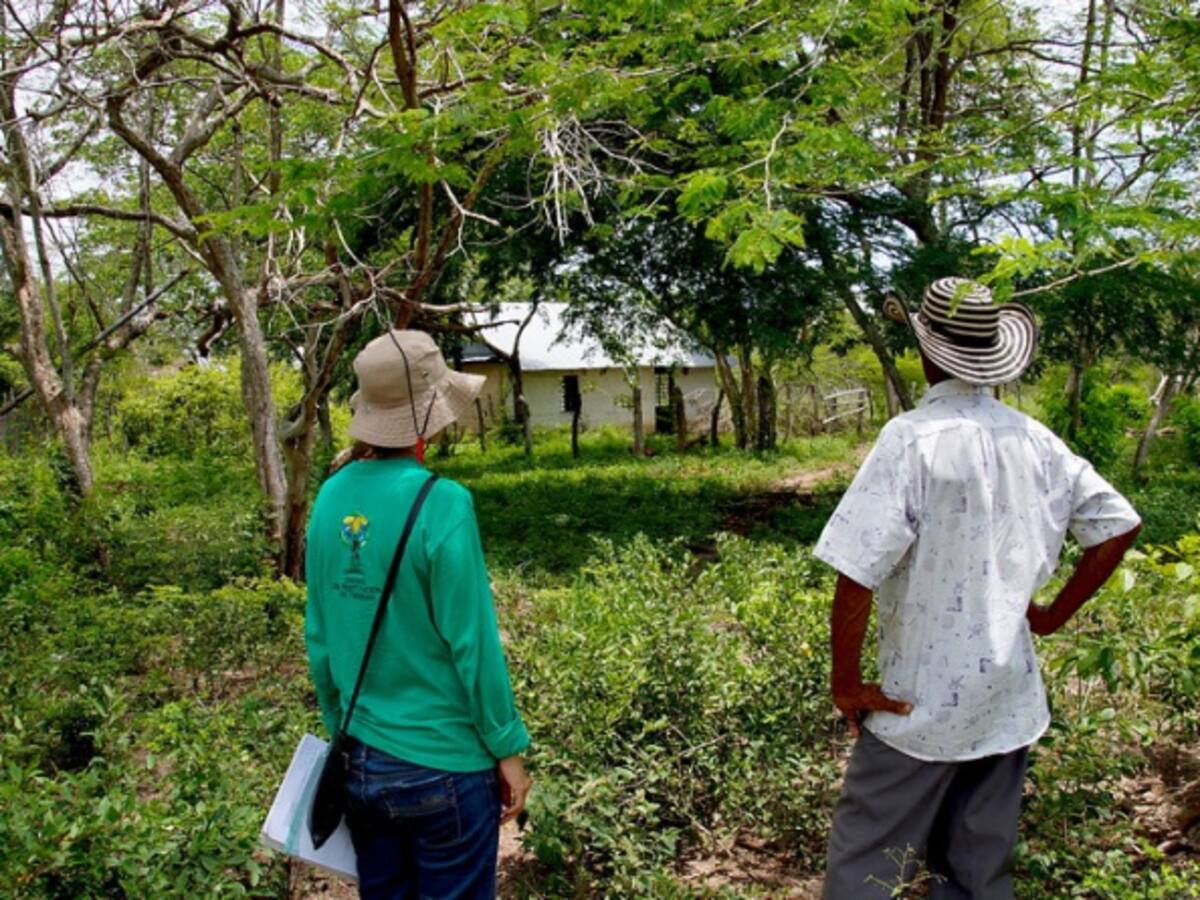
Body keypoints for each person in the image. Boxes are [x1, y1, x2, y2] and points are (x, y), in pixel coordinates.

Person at [814, 278, 1142, 899]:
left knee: (866, 867)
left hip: (915, 705)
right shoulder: (1036, 440)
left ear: (926, 349)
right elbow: (1118, 525)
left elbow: (857, 570)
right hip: (1004, 700)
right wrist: (1051, 616)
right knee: (975, 872)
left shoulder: (910, 439)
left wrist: (846, 684)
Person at [305, 330, 532, 899]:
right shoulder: (443, 502)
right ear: (428, 415)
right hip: (446, 771)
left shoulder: (330, 497)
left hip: (361, 763)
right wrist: (508, 748)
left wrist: (343, 729)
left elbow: (321, 639)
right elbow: (473, 643)